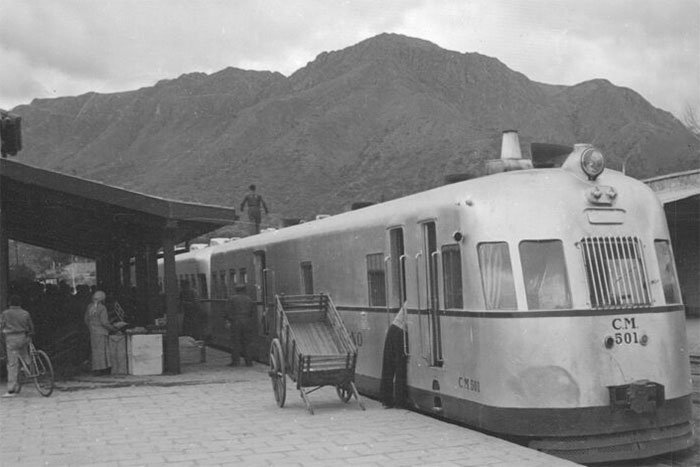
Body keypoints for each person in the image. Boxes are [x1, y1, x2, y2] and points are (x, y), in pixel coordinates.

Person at [1, 295, 34, 397]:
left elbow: (1, 325)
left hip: (11, 339)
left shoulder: (5, 313)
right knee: (24, 355)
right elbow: (31, 327)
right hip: (23, 337)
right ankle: (30, 370)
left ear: (10, 303)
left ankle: (11, 389)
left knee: (12, 364)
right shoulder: (25, 313)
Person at [379, 302, 409, 408]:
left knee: (388, 366)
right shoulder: (412, 301)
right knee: (400, 367)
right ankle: (400, 401)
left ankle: (386, 400)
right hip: (400, 332)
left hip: (393, 329)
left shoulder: (408, 301)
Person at [84, 290, 118, 376]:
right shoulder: (102, 308)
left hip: (93, 332)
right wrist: (113, 329)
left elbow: (86, 320)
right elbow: (104, 322)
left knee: (95, 351)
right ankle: (103, 369)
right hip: (102, 332)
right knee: (102, 351)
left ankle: (96, 368)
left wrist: (91, 328)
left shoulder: (89, 307)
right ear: (102, 299)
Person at [225, 286, 256, 366]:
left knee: (235, 342)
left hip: (236, 322)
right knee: (247, 342)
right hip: (247, 321)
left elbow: (228, 311)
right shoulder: (249, 299)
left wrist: (228, 320)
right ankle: (249, 362)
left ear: (236, 290)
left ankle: (236, 362)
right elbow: (253, 312)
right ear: (244, 290)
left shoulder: (232, 299)